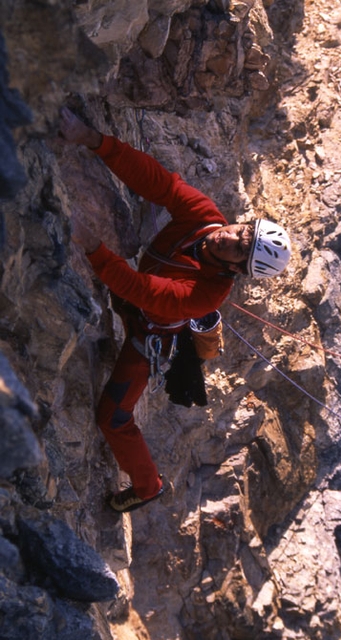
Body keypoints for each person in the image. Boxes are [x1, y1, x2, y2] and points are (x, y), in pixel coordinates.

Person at [59, 107, 292, 513]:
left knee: (112, 418)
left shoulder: (207, 293)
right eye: (243, 230)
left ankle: (147, 486)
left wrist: (90, 244)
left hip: (149, 333)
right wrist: (93, 139)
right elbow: (158, 183)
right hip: (140, 303)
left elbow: (141, 289)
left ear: (237, 269)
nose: (230, 236)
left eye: (239, 248)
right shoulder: (207, 219)